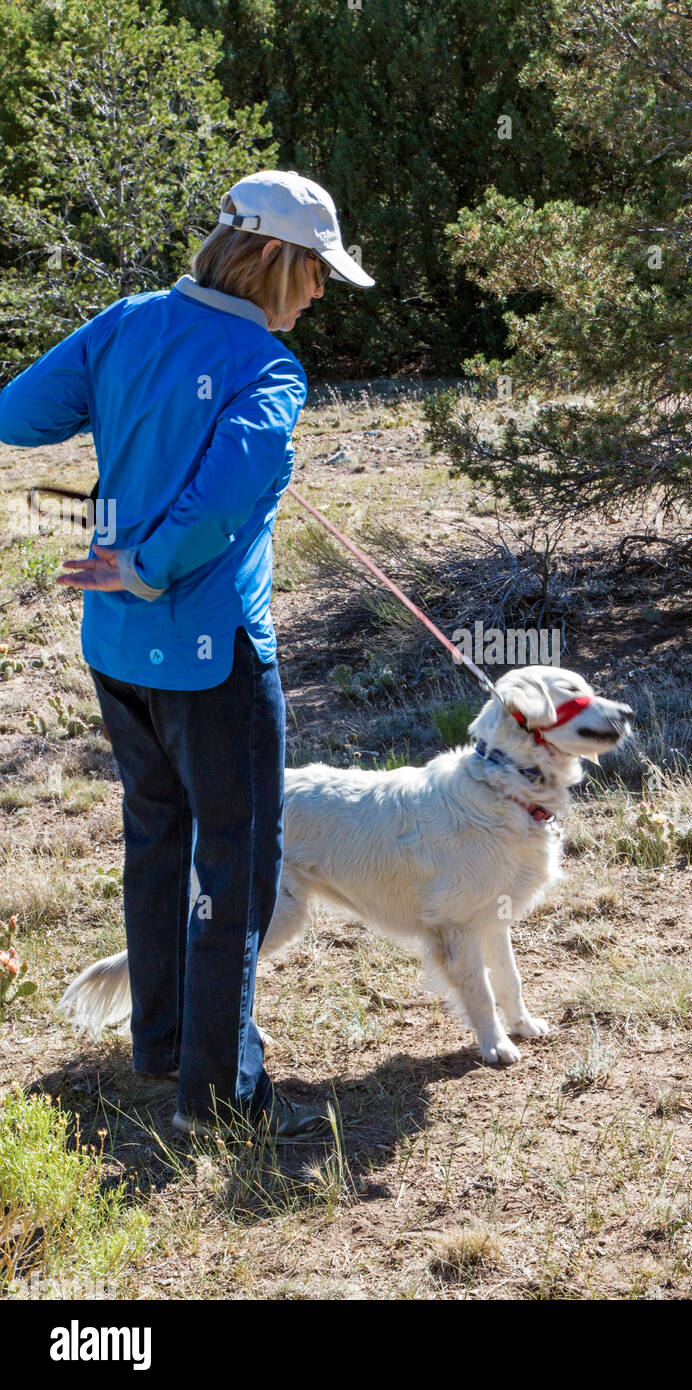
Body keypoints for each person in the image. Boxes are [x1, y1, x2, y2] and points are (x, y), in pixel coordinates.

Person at [0, 170, 375, 1139]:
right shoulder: (267, 366)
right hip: (211, 657)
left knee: (159, 843)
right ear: (275, 260)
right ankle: (221, 1095)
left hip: (117, 646)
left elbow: (21, 415)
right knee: (238, 865)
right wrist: (153, 561)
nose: (324, 292)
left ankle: (164, 1045)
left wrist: (139, 414)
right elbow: (224, 491)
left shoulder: (129, 318)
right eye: (318, 271)